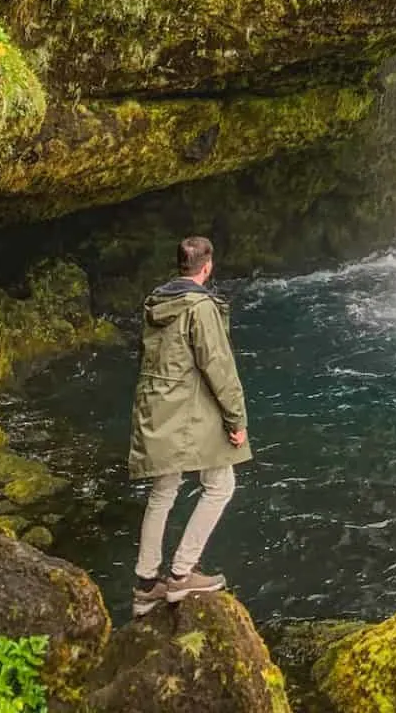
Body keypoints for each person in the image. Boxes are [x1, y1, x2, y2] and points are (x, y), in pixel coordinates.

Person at [129, 234, 251, 615]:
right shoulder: (200, 307)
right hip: (188, 412)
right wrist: (236, 420)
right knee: (221, 484)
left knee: (162, 491)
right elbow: (218, 365)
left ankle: (146, 584)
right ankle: (182, 575)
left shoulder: (157, 302)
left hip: (156, 408)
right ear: (207, 266)